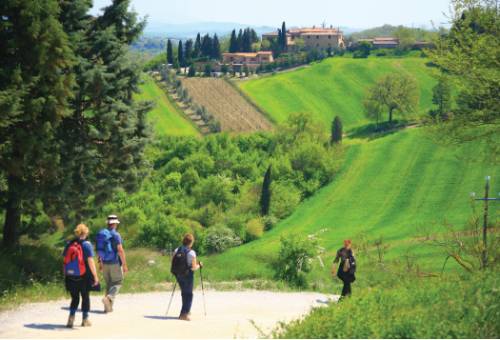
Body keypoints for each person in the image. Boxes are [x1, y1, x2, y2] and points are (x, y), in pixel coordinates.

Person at [63, 224, 99, 328]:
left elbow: (64, 261)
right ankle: (85, 320)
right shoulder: (87, 245)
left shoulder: (69, 244)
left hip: (70, 276)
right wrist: (95, 276)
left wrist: (65, 274)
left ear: (76, 232)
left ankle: (71, 319)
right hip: (84, 276)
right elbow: (91, 261)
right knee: (85, 297)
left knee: (74, 298)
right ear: (86, 233)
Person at [97, 214, 128, 313]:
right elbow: (120, 250)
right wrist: (124, 265)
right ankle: (109, 298)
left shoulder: (101, 234)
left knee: (109, 284)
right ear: (114, 224)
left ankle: (107, 308)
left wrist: (100, 263)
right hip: (114, 262)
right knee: (118, 282)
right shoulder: (116, 234)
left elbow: (99, 250)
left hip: (105, 262)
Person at [171, 233, 202, 321]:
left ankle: (186, 310)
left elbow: (172, 262)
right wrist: (199, 265)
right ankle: (184, 314)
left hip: (178, 274)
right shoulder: (191, 252)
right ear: (191, 242)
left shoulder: (177, 250)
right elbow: (193, 267)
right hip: (187, 275)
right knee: (188, 294)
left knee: (184, 293)